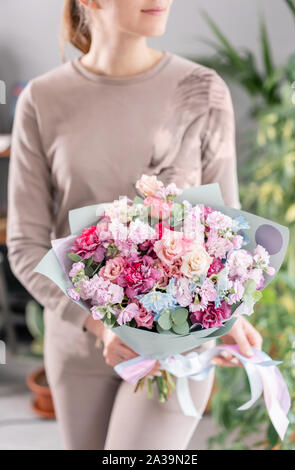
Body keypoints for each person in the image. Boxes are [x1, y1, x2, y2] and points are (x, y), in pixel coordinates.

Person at [6, 0, 262, 450]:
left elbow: (226, 225)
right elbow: (26, 246)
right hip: (77, 348)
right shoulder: (42, 100)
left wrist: (232, 310)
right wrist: (101, 325)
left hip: (177, 342)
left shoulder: (203, 89)